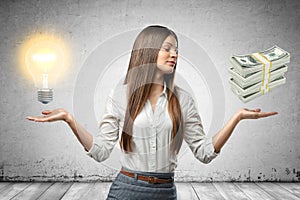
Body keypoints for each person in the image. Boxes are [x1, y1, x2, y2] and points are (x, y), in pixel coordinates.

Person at [27, 25, 278, 200]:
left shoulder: (183, 100)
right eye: (167, 48)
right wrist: (70, 120)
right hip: (126, 189)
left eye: (176, 50)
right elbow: (102, 151)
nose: (174, 55)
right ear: (148, 50)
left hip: (165, 191)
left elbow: (204, 153)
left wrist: (237, 118)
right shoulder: (120, 95)